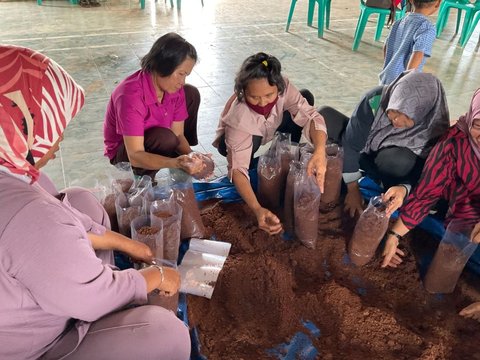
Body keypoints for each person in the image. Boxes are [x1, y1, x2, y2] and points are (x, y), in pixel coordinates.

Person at [0, 45, 190, 360]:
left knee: (79, 198)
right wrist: (153, 276)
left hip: (37, 288)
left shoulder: (12, 176)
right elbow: (87, 295)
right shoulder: (30, 216)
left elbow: (65, 217)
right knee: (165, 333)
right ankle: (111, 302)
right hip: (37, 346)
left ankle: (105, 282)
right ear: (27, 126)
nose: (60, 138)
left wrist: (133, 247)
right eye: (55, 126)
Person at [380, 89, 480, 320]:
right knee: (439, 278)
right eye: (478, 124)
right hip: (466, 204)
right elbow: (426, 193)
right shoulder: (454, 142)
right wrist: (394, 235)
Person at [212, 52, 328, 235]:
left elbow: (312, 117)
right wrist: (257, 209)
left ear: (278, 88)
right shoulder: (239, 118)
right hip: (246, 136)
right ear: (243, 92)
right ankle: (254, 184)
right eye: (254, 97)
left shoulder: (284, 87)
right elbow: (237, 170)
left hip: (273, 125)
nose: (262, 102)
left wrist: (320, 151)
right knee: (247, 151)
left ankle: (285, 160)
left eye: (269, 95)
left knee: (305, 98)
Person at [317, 71, 450, 218]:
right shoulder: (376, 99)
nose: (397, 120)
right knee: (323, 118)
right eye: (394, 110)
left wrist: (404, 188)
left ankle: (384, 184)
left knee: (397, 161)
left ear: (423, 114)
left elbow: (426, 172)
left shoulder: (433, 127)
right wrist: (353, 188)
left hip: (392, 165)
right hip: (365, 149)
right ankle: (352, 171)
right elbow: (351, 143)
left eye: (406, 116)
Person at [104, 32, 206, 180]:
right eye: (180, 74)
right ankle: (145, 181)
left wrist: (191, 156)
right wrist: (174, 163)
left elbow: (178, 134)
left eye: (186, 75)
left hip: (157, 138)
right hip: (127, 151)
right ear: (162, 66)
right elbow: (135, 154)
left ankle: (181, 161)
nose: (182, 81)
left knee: (190, 93)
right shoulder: (130, 96)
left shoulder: (174, 89)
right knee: (165, 138)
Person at [379, 0, 440, 85]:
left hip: (387, 75)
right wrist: (407, 81)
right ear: (438, 3)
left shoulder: (399, 22)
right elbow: (418, 54)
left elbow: (386, 46)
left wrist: (390, 65)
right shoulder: (427, 28)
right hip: (402, 82)